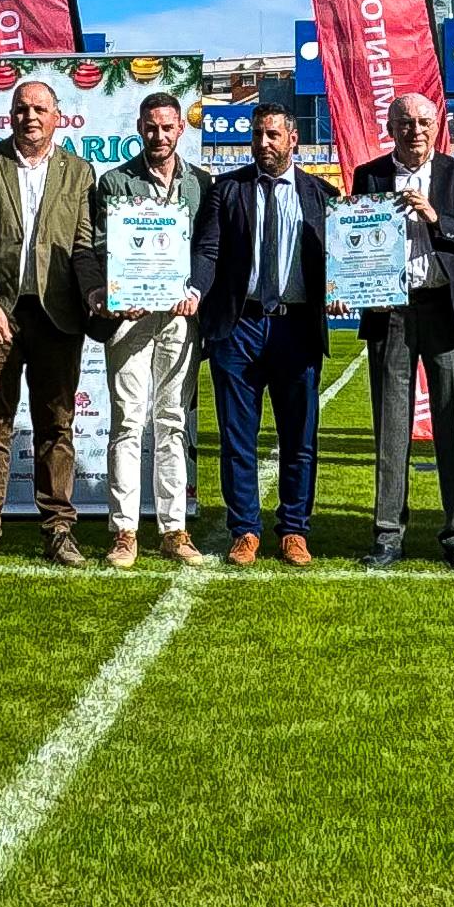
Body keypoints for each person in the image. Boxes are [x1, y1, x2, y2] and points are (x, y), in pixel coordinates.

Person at [0, 77, 104, 567]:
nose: (30, 117)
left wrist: (94, 293)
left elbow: (83, 247)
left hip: (58, 317)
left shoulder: (80, 173)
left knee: (57, 426)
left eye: (40, 108)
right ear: (10, 115)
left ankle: (59, 530)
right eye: (22, 108)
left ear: (57, 116)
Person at [352, 90, 454, 570]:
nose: (415, 130)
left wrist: (436, 218)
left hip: (447, 311)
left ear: (437, 126)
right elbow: (354, 240)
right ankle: (388, 532)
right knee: (391, 427)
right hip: (392, 312)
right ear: (391, 128)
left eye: (424, 121)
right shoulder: (369, 175)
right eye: (405, 122)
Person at [190, 106, 334, 564]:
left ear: (294, 138)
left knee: (299, 437)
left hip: (297, 327)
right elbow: (209, 250)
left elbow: (340, 259)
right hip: (240, 326)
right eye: (257, 135)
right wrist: (195, 287)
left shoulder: (322, 194)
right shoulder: (226, 189)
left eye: (273, 134)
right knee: (237, 436)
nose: (263, 143)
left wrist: (344, 289)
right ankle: (245, 530)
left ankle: (294, 529)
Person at [86, 87, 211, 568]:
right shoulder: (116, 182)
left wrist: (195, 289)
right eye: (150, 127)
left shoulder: (201, 183)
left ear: (182, 128)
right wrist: (118, 293)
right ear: (140, 129)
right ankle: (124, 531)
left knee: (174, 422)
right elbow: (102, 244)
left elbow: (204, 249)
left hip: (179, 317)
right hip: (130, 318)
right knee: (127, 422)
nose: (159, 135)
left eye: (167, 126)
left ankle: (174, 528)